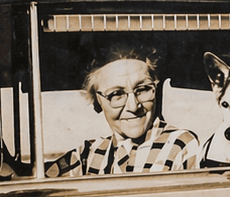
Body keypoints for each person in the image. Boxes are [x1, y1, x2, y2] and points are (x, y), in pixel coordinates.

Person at [46, 49, 201, 176]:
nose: (133, 107)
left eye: (143, 89)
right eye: (117, 95)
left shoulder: (179, 144)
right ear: (98, 101)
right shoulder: (87, 155)